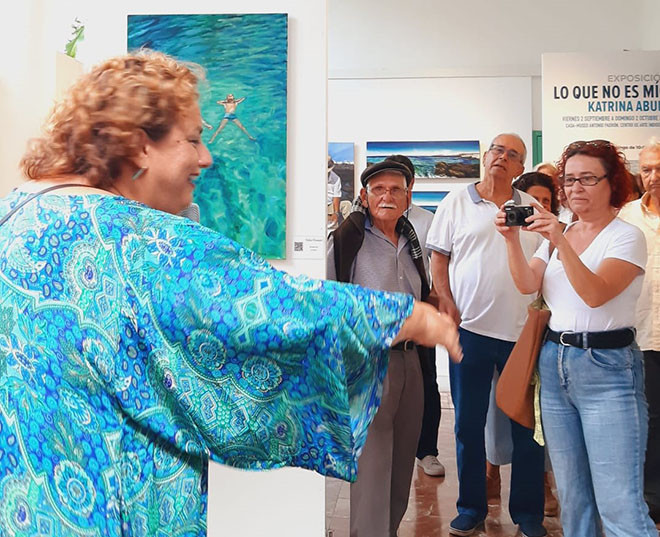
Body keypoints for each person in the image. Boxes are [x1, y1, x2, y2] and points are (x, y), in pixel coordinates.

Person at [0, 51, 463, 537]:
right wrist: (408, 317)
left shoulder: (16, 214)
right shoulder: (139, 239)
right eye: (192, 139)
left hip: (25, 503)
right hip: (107, 509)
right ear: (139, 146)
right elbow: (269, 305)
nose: (205, 157)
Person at [496, 139, 656, 536]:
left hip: (608, 369)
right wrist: (512, 240)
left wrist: (560, 241)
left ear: (612, 183)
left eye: (588, 179)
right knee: (574, 499)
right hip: (555, 365)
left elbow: (595, 293)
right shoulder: (561, 233)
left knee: (620, 504)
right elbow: (527, 283)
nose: (575, 188)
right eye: (569, 180)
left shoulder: (626, 236)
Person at [327, 159, 458, 536]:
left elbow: (419, 294)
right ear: (364, 196)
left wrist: (441, 308)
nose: (387, 196)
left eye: (396, 189)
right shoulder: (347, 240)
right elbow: (329, 303)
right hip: (368, 364)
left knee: (401, 468)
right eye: (379, 190)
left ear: (408, 197)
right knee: (371, 473)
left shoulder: (412, 240)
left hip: (412, 362)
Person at [427, 133, 546, 537]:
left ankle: (528, 515)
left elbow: (543, 263)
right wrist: (446, 300)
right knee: (468, 425)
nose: (502, 157)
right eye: (497, 149)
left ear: (520, 167)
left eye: (512, 154)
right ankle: (471, 507)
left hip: (520, 335)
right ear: (485, 155)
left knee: (526, 429)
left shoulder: (531, 208)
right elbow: (439, 258)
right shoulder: (456, 202)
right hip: (470, 331)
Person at [485, 171, 560, 516]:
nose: (538, 209)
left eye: (546, 202)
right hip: (499, 328)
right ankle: (492, 470)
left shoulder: (559, 235)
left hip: (539, 332)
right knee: (497, 408)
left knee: (535, 415)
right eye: (532, 203)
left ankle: (539, 484)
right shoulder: (507, 232)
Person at [386, 153, 445, 478]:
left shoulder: (427, 221)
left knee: (426, 381)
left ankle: (427, 450)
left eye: (398, 183)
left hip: (419, 314)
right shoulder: (366, 222)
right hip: (383, 319)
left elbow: (439, 266)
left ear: (410, 184)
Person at [618, 140, 660, 529]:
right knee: (649, 420)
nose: (653, 176)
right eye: (646, 169)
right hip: (643, 333)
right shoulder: (628, 216)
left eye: (659, 168)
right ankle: (652, 498)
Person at [327, 156, 342, 230]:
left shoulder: (336, 178)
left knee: (347, 205)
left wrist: (336, 213)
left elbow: (336, 196)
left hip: (329, 205)